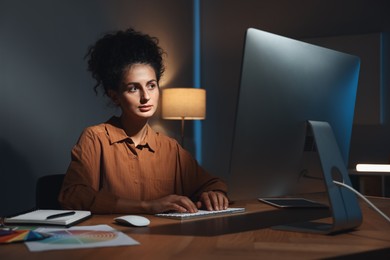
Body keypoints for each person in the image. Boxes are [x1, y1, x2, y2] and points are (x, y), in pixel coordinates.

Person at [58, 28, 229, 214]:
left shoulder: (170, 148)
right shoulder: (95, 138)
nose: (146, 96)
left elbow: (211, 183)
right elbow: (72, 195)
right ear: (115, 96)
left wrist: (214, 193)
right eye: (133, 88)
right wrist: (147, 206)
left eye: (151, 85)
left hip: (163, 240)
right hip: (113, 240)